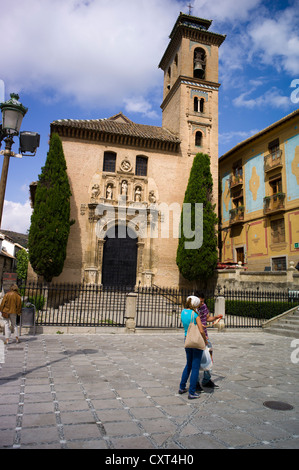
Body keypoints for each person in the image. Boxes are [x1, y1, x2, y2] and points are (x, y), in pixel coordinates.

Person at [178, 296, 208, 400]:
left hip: (187, 339)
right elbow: (200, 331)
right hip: (195, 341)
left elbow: (189, 325)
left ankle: (182, 387)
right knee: (195, 367)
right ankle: (192, 392)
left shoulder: (183, 312)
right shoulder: (195, 314)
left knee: (188, 364)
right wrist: (205, 340)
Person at [196, 292, 222, 390]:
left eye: (203, 301)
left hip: (205, 337)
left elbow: (207, 318)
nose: (202, 303)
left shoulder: (204, 307)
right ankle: (196, 382)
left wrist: (216, 317)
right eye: (200, 302)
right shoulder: (193, 309)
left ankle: (206, 380)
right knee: (196, 360)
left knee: (209, 359)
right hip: (197, 338)